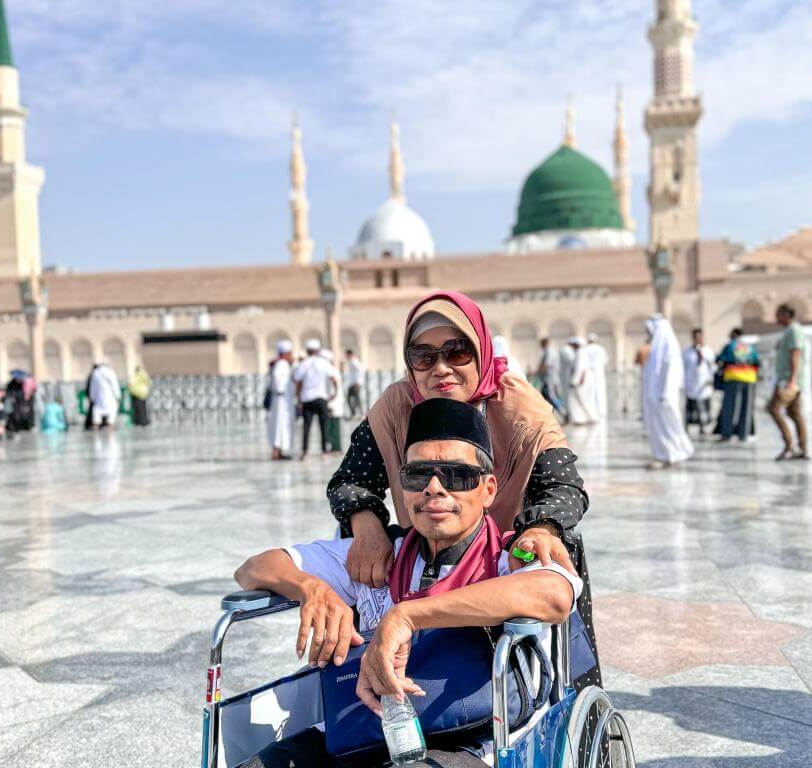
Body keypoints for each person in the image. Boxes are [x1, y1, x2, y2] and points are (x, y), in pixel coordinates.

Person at [235, 398, 582, 768]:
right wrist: (312, 589)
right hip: (365, 732)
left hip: (471, 744)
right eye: (417, 475)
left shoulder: (509, 556)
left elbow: (553, 595)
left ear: (489, 489)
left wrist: (405, 616)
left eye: (456, 475)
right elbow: (253, 568)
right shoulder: (381, 557)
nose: (434, 488)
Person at [326, 290, 600, 691]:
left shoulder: (519, 406)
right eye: (423, 356)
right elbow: (352, 478)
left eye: (456, 353)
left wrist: (541, 528)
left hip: (509, 558)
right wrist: (366, 525)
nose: (440, 369)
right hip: (432, 548)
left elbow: (563, 487)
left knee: (558, 544)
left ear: (481, 351)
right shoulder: (397, 405)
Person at [642, 315, 694, 469]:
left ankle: (673, 454)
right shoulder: (658, 347)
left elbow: (672, 371)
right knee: (659, 427)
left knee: (669, 425)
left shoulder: (669, 345)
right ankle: (663, 455)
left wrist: (665, 392)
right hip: (656, 396)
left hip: (664, 395)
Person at [768, 304, 810, 460]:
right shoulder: (789, 331)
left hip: (789, 380)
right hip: (790, 380)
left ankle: (790, 446)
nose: (776, 318)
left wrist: (792, 379)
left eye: (778, 314)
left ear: (786, 314)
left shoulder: (793, 331)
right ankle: (803, 448)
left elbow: (796, 354)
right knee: (795, 413)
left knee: (774, 408)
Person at [294, 339, 337, 459]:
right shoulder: (324, 363)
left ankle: (305, 452)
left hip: (307, 398)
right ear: (318, 351)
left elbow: (298, 381)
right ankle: (324, 452)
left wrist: (298, 396)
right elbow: (333, 378)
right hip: (321, 398)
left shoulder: (303, 364)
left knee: (306, 426)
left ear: (307, 351)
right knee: (324, 425)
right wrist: (335, 392)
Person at [716, 328, 760, 441]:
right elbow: (757, 361)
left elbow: (720, 359)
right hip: (749, 378)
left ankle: (726, 434)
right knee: (747, 408)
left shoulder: (730, 346)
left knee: (729, 407)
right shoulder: (750, 347)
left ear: (734, 334)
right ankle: (743, 435)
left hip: (733, 377)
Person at [682, 328, 716, 437]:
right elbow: (682, 367)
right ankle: (687, 427)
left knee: (704, 408)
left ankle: (703, 428)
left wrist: (711, 379)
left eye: (699, 337)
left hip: (704, 384)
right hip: (691, 383)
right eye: (695, 337)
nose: (698, 339)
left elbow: (713, 367)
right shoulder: (686, 352)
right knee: (690, 408)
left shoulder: (708, 351)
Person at [267, 341, 296, 460]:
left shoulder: (282, 364)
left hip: (283, 400)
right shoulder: (282, 364)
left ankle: (279, 451)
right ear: (285, 353)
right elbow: (278, 381)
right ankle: (276, 451)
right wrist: (281, 390)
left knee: (282, 425)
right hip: (281, 400)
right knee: (279, 425)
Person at [566, 337, 599, 426]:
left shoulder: (580, 353)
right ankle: (583, 418)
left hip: (581, 381)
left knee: (580, 399)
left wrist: (575, 381)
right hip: (583, 380)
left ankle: (584, 418)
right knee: (581, 399)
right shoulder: (581, 352)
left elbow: (580, 368)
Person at [535, 337, 566, 419]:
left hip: (550, 379)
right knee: (545, 397)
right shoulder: (548, 351)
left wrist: (537, 372)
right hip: (547, 379)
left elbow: (547, 365)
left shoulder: (549, 351)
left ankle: (563, 413)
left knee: (552, 397)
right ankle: (548, 416)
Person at [322, 349, 344, 453]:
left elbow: (333, 385)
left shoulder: (330, 370)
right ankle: (334, 447)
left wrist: (331, 398)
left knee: (334, 426)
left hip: (333, 401)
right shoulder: (332, 369)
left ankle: (336, 448)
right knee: (331, 425)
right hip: (333, 401)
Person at [89, 361, 121, 430]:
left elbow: (92, 387)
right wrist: (118, 396)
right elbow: (115, 385)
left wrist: (92, 397)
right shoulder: (110, 372)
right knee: (111, 416)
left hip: (98, 398)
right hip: (110, 397)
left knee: (97, 415)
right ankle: (110, 429)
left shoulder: (95, 373)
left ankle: (96, 430)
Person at [585, 334, 609, 420]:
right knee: (600, 392)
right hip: (599, 373)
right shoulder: (601, 349)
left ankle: (592, 412)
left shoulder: (585, 349)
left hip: (589, 373)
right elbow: (605, 361)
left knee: (590, 393)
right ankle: (602, 412)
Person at [344, 349, 365, 420]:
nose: (346, 356)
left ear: (350, 354)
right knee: (350, 398)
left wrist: (358, 381)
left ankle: (361, 414)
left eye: (346, 355)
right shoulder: (351, 362)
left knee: (357, 398)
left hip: (356, 383)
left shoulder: (354, 362)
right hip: (352, 383)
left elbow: (361, 370)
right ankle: (354, 413)